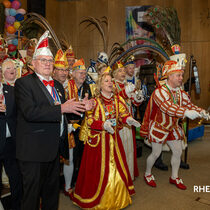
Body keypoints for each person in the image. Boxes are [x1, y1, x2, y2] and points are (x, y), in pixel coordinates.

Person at [14, 31, 90, 210]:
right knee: (31, 198)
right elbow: (30, 113)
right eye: (43, 60)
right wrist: (62, 108)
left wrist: (80, 108)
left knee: (51, 196)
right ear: (33, 64)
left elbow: (63, 114)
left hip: (54, 151)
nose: (48, 64)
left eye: (50, 61)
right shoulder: (23, 84)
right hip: (33, 152)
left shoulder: (57, 86)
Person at [71, 72, 140, 209]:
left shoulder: (117, 99)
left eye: (111, 81)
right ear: (100, 85)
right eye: (106, 81)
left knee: (117, 167)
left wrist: (129, 120)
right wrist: (102, 125)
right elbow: (90, 120)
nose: (110, 83)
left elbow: (122, 114)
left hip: (113, 140)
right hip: (98, 143)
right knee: (97, 171)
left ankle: (117, 197)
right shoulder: (94, 101)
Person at [140, 55, 210, 190]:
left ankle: (174, 177)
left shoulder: (180, 93)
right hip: (159, 127)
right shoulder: (159, 92)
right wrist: (185, 113)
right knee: (155, 153)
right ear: (169, 76)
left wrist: (201, 111)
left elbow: (189, 105)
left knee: (177, 152)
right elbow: (168, 107)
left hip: (172, 127)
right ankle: (148, 173)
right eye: (178, 75)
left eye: (181, 75)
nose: (181, 78)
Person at [112, 61, 144, 180]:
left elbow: (134, 103)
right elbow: (116, 96)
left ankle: (128, 174)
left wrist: (138, 98)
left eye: (123, 71)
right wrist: (126, 92)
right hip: (119, 123)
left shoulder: (126, 84)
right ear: (114, 73)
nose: (123, 73)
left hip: (129, 120)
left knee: (129, 148)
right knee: (120, 148)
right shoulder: (112, 85)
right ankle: (120, 177)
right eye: (120, 71)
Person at [68, 58, 93, 189]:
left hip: (83, 126)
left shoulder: (87, 87)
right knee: (71, 157)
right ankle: (70, 183)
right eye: (80, 73)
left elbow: (92, 103)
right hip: (69, 127)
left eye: (84, 73)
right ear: (73, 74)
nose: (83, 76)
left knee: (83, 155)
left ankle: (81, 180)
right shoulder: (67, 86)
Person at [0, 80, 22, 210]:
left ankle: (16, 206)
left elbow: (20, 113)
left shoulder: (11, 90)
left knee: (16, 179)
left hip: (12, 143)